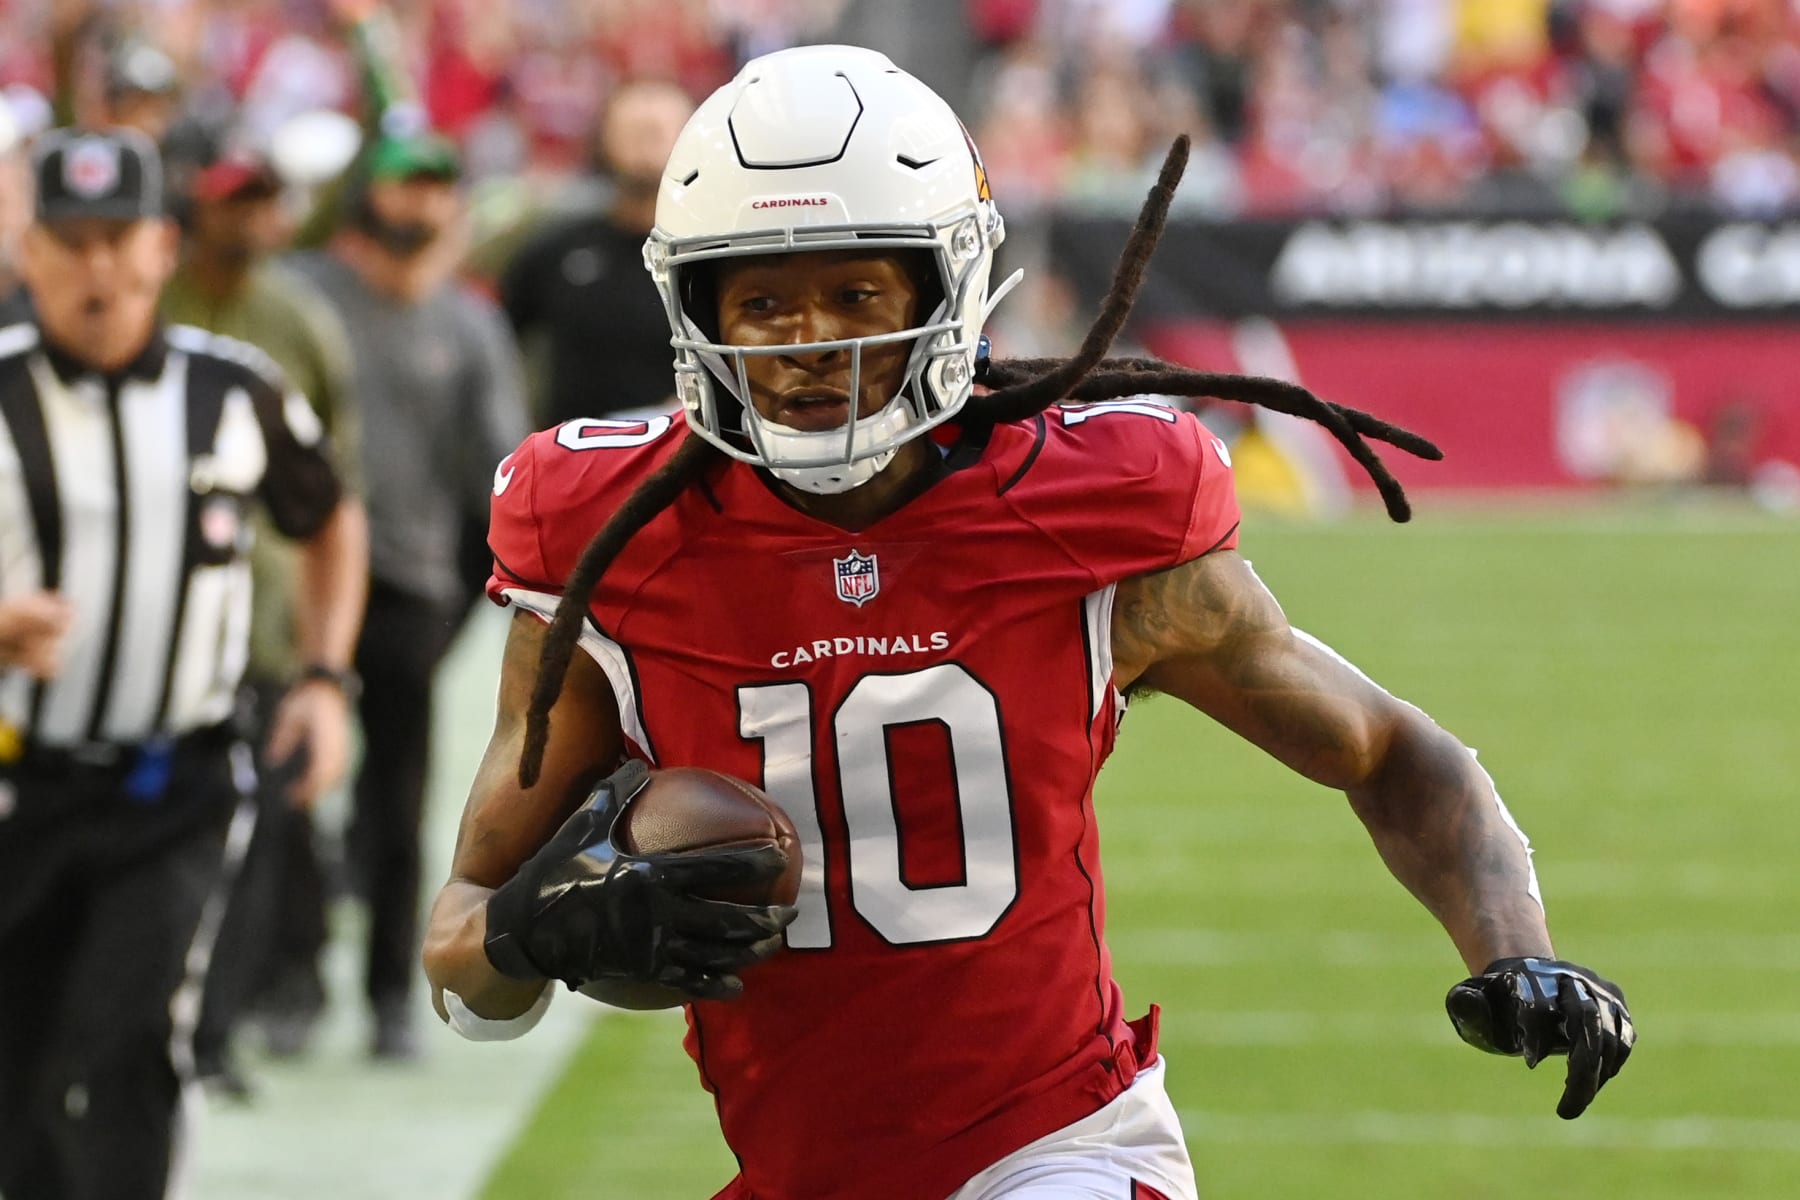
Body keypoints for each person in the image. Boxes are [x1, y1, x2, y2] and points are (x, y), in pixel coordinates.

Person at [421, 47, 1636, 1200]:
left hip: (1062, 1145)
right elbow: (466, 959)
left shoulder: (1091, 507)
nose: (810, 347)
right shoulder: (608, 538)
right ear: (697, 313)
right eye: (764, 301)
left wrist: (1513, 944)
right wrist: (541, 926)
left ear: (949, 285)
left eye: (856, 293)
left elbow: (1391, 753)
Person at [0, 127, 363, 1200]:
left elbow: (331, 519)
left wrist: (322, 679)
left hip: (180, 784)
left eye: (120, 240)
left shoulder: (236, 390)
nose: (97, 268)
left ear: (165, 247)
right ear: (29, 253)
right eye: (71, 243)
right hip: (19, 783)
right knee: (15, 1067)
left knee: (124, 1046)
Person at [288, 129, 528, 1060]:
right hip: (303, 583)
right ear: (365, 200)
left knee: (398, 800)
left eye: (436, 188)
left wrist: (458, 608)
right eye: (403, 187)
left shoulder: (469, 324)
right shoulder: (309, 298)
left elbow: (498, 486)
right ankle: (290, 982)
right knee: (286, 794)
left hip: (411, 583)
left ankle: (392, 993)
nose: (419, 207)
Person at [162, 143, 370, 1089]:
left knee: (258, 835)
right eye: (231, 204)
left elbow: (336, 482)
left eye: (262, 205)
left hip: (267, 615)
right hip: (157, 618)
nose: (248, 221)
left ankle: (217, 1030)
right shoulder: (148, 304)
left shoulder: (296, 320)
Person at [499, 79, 695, 427]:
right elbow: (492, 338)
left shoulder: (715, 258)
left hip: (687, 458)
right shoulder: (559, 251)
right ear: (604, 139)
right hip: (576, 463)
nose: (645, 147)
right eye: (632, 131)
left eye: (656, 132)